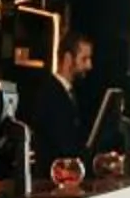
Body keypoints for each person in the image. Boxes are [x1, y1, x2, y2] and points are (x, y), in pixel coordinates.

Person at [20, 30, 95, 167]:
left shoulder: (70, 93)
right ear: (68, 59)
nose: (89, 66)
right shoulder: (49, 94)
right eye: (84, 59)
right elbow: (64, 145)